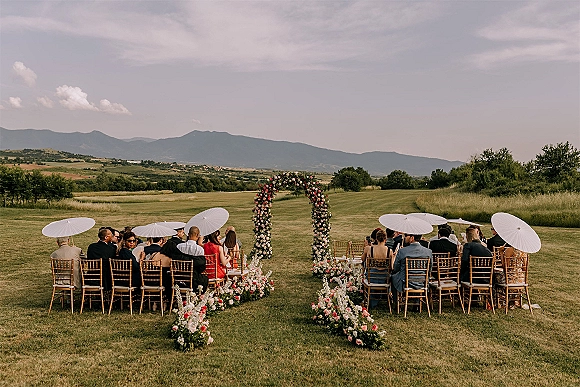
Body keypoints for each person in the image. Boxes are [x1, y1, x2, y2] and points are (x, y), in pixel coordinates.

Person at [391, 233, 432, 310]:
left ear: (412, 238)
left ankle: (397, 303)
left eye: (406, 236)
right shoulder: (428, 252)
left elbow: (395, 268)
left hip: (405, 282)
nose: (405, 237)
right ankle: (417, 303)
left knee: (393, 277)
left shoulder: (402, 251)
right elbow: (430, 269)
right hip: (422, 281)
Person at [360, 229, 392, 309]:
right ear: (386, 239)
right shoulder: (389, 251)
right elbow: (392, 267)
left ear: (376, 239)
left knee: (368, 274)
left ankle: (371, 301)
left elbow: (362, 259)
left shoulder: (369, 249)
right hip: (384, 278)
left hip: (372, 277)